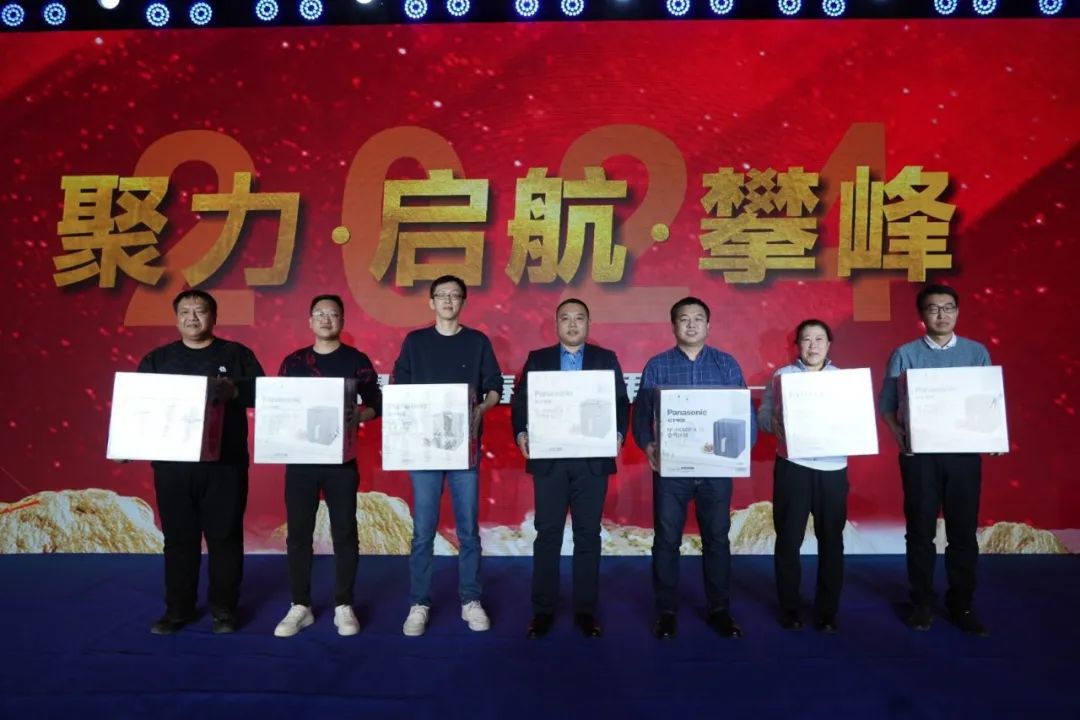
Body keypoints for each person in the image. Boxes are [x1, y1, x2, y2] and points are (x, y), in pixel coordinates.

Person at [137, 289, 264, 635]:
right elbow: (139, 406)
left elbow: (266, 394)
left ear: (214, 316)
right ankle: (178, 609)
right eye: (185, 311)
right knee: (179, 539)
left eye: (200, 310)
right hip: (173, 467)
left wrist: (234, 391)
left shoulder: (236, 355)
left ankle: (224, 609)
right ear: (176, 318)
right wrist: (127, 443)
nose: (192, 317)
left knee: (225, 537)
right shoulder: (158, 360)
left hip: (225, 465)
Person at [632, 296, 756, 640]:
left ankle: (720, 610)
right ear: (673, 326)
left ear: (708, 325)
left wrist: (741, 450)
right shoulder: (657, 365)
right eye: (684, 319)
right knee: (666, 540)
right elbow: (641, 415)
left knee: (716, 539)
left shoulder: (726, 364)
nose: (691, 324)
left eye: (698, 318)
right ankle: (666, 612)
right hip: (672, 470)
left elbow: (744, 412)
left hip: (716, 469)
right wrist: (648, 444)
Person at [511, 299, 629, 639]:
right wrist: (521, 433)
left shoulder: (606, 359)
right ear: (556, 325)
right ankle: (543, 610)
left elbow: (620, 402)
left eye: (579, 318)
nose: (573, 324)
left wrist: (617, 434)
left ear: (589, 324)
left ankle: (585, 611)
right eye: (565, 318)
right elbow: (521, 401)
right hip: (550, 460)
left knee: (588, 535)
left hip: (592, 461)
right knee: (547, 534)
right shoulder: (539, 359)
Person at [392, 275, 503, 637]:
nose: (448, 300)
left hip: (464, 448)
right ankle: (419, 602)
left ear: (463, 302)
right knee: (423, 530)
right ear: (431, 302)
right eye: (442, 295)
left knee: (468, 529)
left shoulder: (477, 342)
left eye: (455, 295)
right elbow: (398, 388)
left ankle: (470, 599)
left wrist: (481, 408)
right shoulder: (415, 342)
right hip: (423, 449)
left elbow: (494, 387)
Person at [879, 283, 992, 637]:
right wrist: (901, 438)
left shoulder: (977, 352)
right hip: (920, 458)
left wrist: (992, 435)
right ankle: (922, 603)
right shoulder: (905, 354)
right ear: (921, 315)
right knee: (920, 532)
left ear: (958, 311)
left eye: (948, 308)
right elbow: (887, 406)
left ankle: (962, 604)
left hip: (963, 457)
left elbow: (987, 402)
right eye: (933, 308)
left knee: (963, 533)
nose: (941, 315)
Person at [272, 294, 383, 638]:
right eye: (319, 313)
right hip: (300, 460)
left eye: (332, 314)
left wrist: (359, 416)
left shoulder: (356, 361)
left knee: (345, 531)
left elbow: (377, 403)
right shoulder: (294, 362)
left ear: (342, 321)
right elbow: (278, 404)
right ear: (310, 321)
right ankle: (300, 604)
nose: (325, 319)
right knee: (298, 534)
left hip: (341, 461)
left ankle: (343, 604)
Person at [757, 319, 848, 633]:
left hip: (833, 469)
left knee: (832, 541)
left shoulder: (843, 380)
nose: (813, 345)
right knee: (788, 540)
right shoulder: (783, 376)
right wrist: (772, 422)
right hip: (792, 467)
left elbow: (855, 419)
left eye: (819, 339)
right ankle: (790, 608)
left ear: (829, 344)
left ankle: (827, 611)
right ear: (797, 345)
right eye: (806, 339)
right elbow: (763, 417)